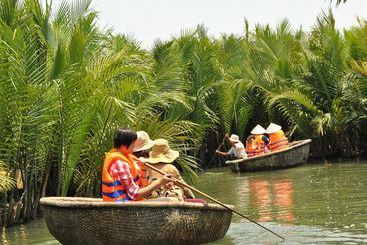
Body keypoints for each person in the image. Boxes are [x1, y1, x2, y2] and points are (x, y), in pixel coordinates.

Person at [101, 128, 174, 202]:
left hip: (130, 203)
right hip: (122, 206)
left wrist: (143, 169)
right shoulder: (120, 163)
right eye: (133, 143)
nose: (134, 146)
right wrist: (160, 182)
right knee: (171, 201)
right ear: (123, 145)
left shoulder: (128, 158)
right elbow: (135, 194)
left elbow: (142, 187)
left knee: (170, 199)